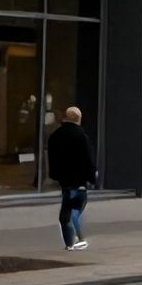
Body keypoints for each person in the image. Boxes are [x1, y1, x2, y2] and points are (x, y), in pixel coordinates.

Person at [47, 106, 97, 251]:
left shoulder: (56, 135)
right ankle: (79, 239)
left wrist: (55, 175)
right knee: (75, 211)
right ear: (79, 119)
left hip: (65, 181)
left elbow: (53, 157)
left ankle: (70, 243)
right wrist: (92, 178)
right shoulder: (81, 135)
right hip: (79, 181)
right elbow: (89, 158)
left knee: (67, 211)